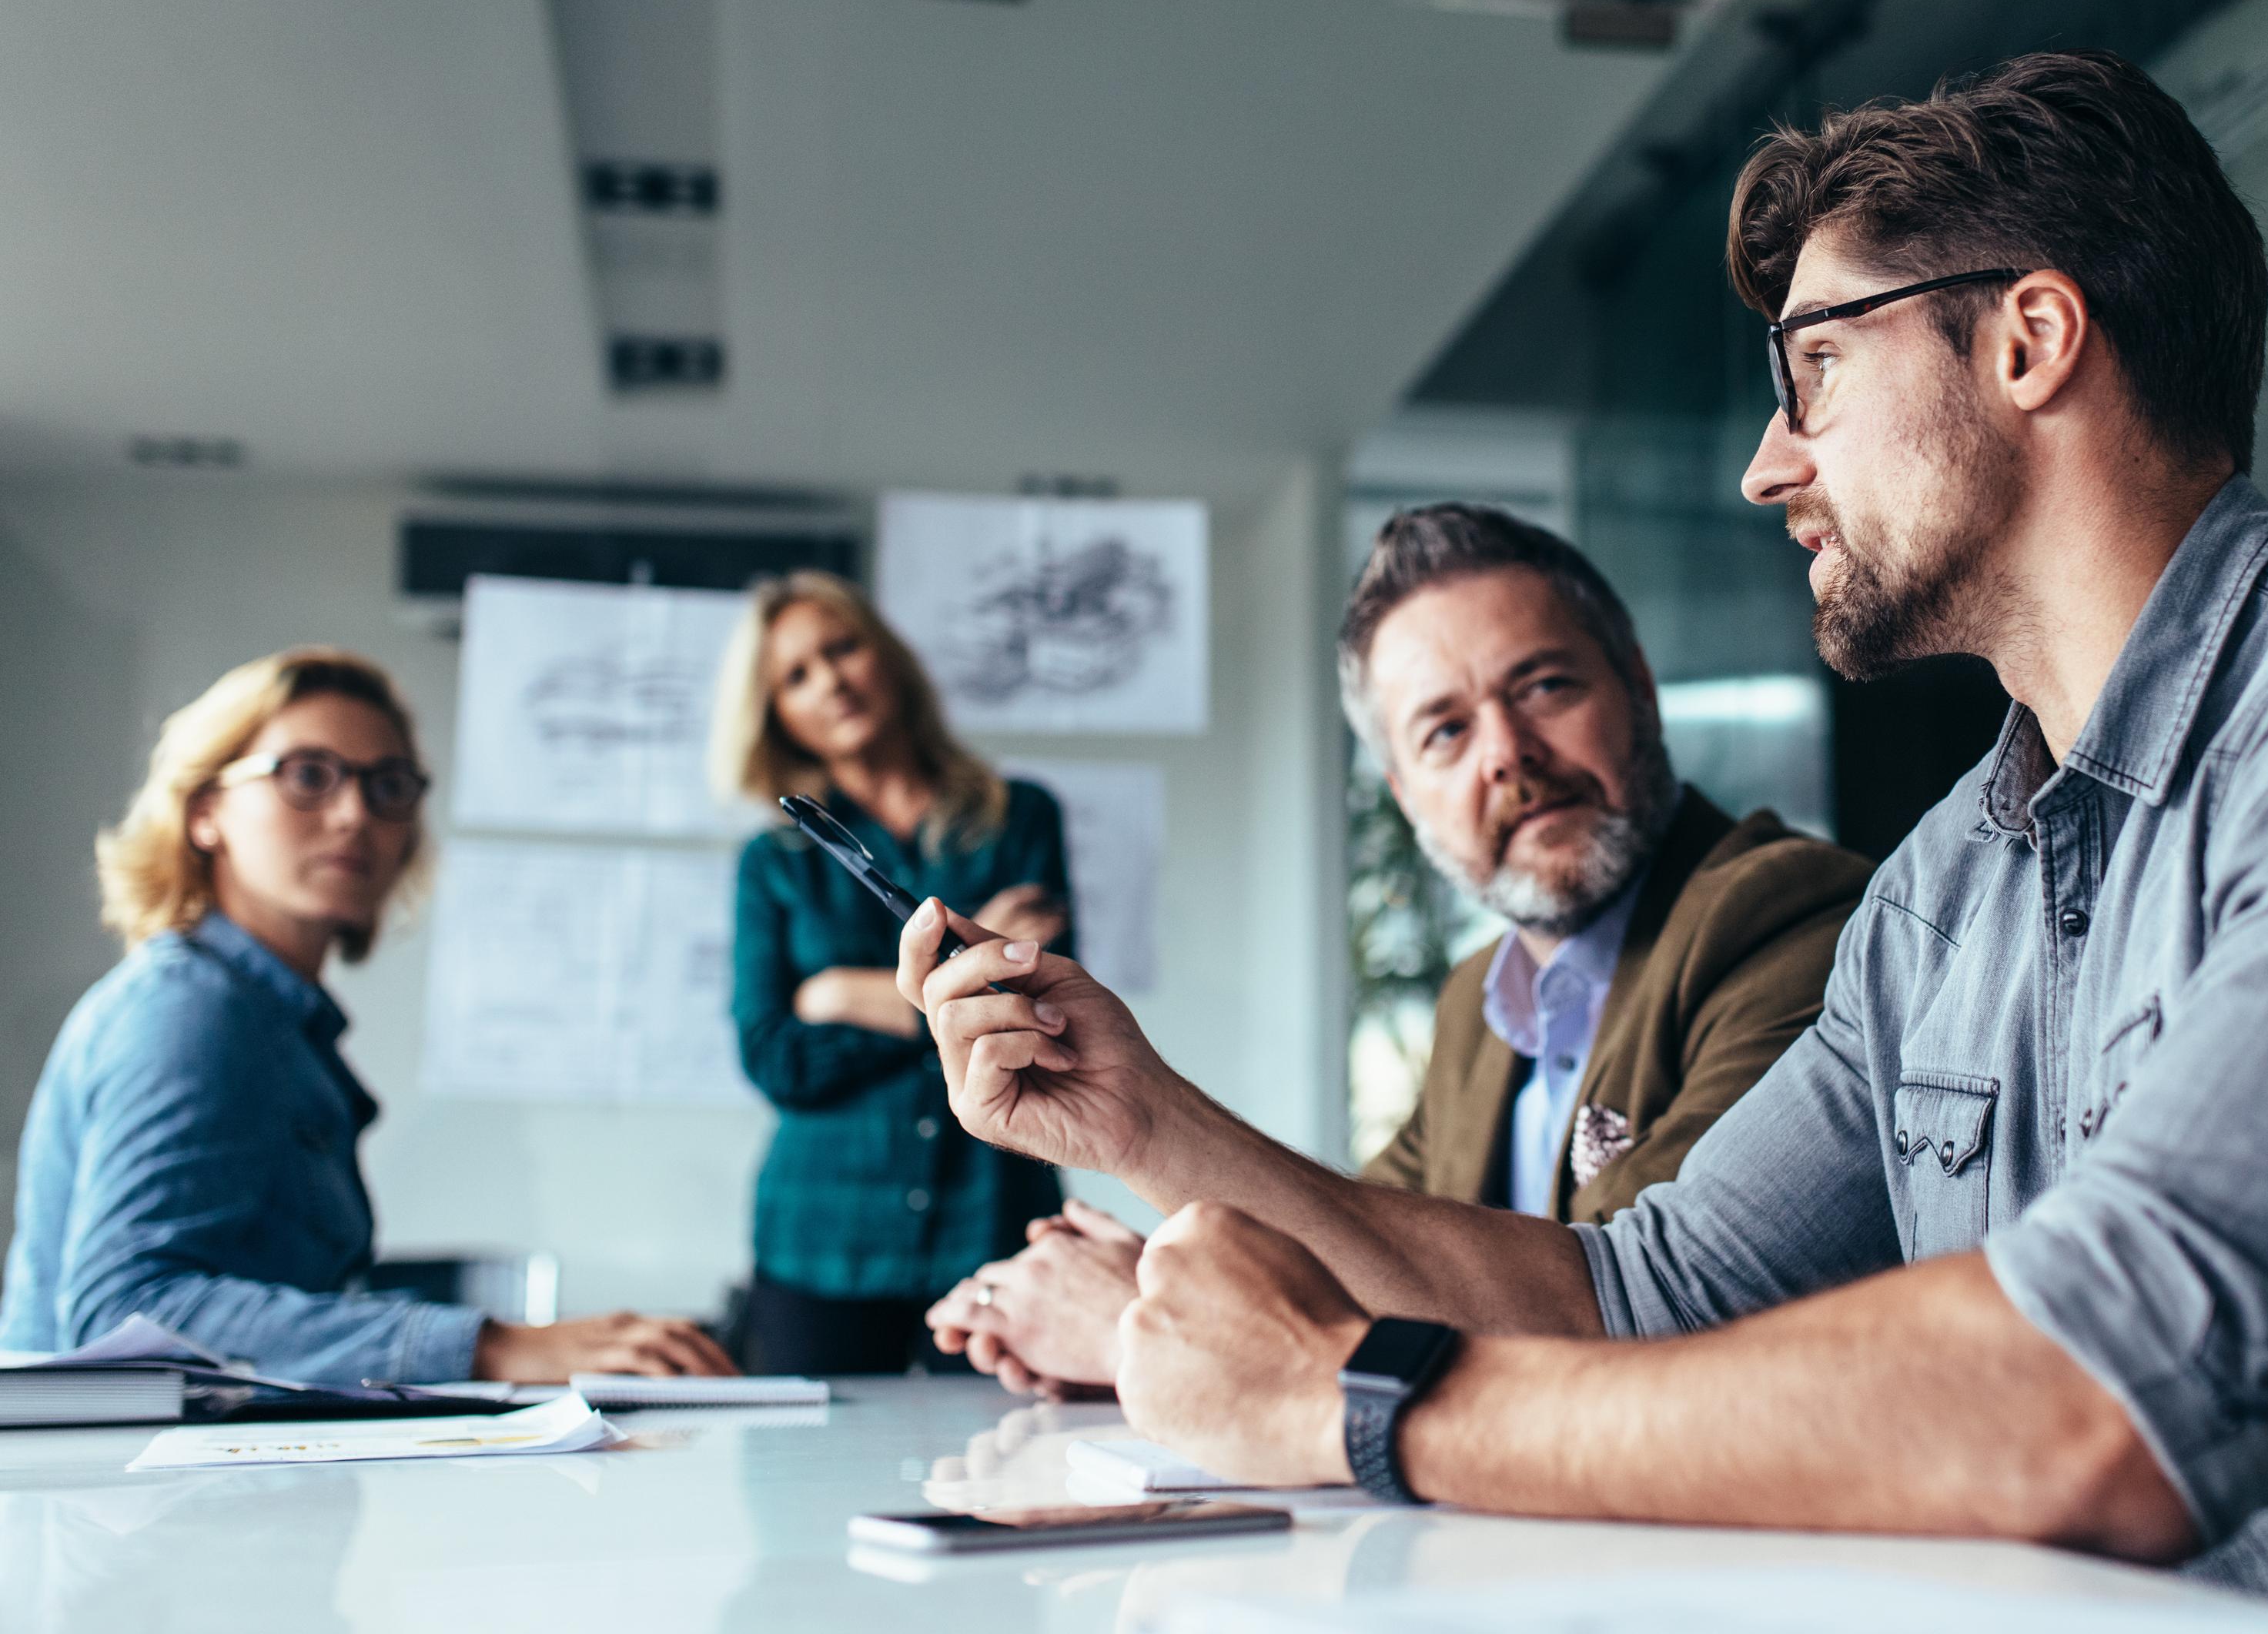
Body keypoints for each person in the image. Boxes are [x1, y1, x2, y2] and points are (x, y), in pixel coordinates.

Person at [898, 51, 2268, 1634]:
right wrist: (1144, 1123)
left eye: (1815, 368)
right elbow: (1632, 1297)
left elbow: (2105, 1390)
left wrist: (1353, 1401)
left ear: (2028, 342)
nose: (1771, 459)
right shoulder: (1949, 883)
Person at [924, 506, 1872, 1392]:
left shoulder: (1790, 919)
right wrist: (1163, 1259)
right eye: (1446, 731)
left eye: (1543, 686)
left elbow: (1627, 1320)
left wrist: (1144, 1320)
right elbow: (1363, 1254)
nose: (1506, 753)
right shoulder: (1479, 1003)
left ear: (1638, 685)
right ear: (1404, 791)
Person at [0, 648, 733, 1382]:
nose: (355, 815)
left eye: (388, 787)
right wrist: (493, 1346)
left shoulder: (276, 1024)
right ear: (205, 810)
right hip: (114, 1489)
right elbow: (125, 1314)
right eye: (307, 776)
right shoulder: (191, 1009)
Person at [713, 570, 1072, 1375]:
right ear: (777, 715)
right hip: (822, 1238)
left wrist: (838, 995)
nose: (831, 680)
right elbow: (775, 1056)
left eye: (843, 649)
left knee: (1005, 1473)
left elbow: (1038, 1013)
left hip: (991, 1220)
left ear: (887, 658)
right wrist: (956, 992)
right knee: (808, 1491)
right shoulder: (774, 865)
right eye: (797, 676)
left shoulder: (1021, 820)